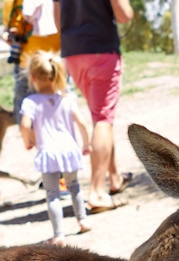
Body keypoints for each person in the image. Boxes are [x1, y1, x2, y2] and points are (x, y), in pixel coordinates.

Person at [54, 0, 134, 213]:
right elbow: (124, 15)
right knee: (102, 120)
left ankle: (114, 177)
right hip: (101, 50)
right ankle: (97, 192)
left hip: (73, 54)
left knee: (101, 117)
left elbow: (57, 22)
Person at [20, 50, 92, 244]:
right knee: (74, 186)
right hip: (69, 150)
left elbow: (25, 125)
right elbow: (83, 123)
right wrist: (86, 143)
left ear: (33, 77)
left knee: (53, 194)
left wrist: (27, 141)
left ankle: (59, 235)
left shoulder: (31, 102)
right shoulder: (67, 99)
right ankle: (83, 221)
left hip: (48, 153)